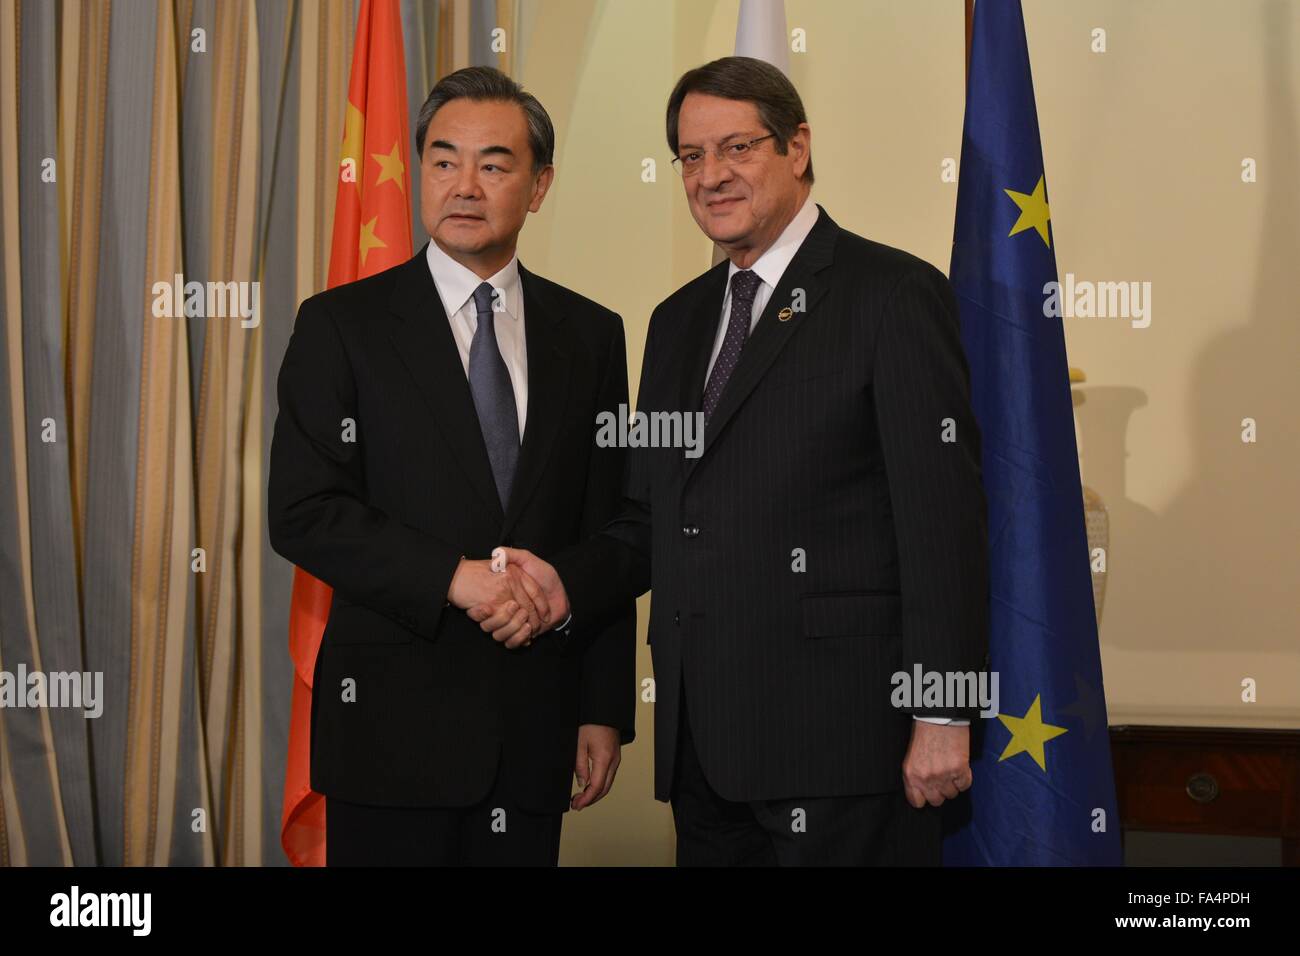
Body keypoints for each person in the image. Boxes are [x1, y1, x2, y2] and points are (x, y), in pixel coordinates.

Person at [479, 57, 989, 866]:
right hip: (704, 754)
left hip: (844, 747)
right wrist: (566, 581)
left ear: (797, 147)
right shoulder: (676, 321)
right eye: (690, 156)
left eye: (737, 148)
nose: (711, 176)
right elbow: (651, 515)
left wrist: (945, 712)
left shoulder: (891, 294)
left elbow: (944, 522)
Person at [268, 66, 635, 866]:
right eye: (442, 160)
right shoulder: (341, 326)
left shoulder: (592, 335)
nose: (464, 185)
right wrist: (455, 578)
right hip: (390, 734)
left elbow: (616, 526)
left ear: (538, 186)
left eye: (494, 164)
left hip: (538, 726)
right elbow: (303, 509)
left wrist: (603, 707)